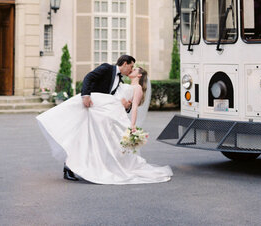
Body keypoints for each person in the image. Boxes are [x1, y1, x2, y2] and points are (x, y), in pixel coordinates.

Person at [36, 57, 172, 185]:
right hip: (91, 107)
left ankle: (88, 167)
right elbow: (89, 77)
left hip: (105, 116)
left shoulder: (123, 82)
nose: (131, 70)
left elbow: (124, 103)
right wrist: (85, 96)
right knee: (80, 138)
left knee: (95, 143)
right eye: (131, 67)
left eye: (134, 69)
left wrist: (126, 107)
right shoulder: (107, 69)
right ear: (124, 63)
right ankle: (70, 167)